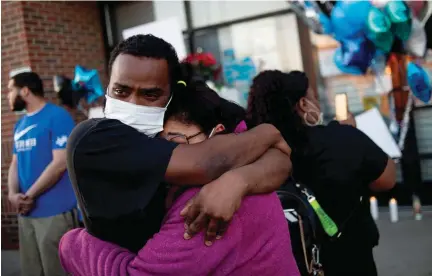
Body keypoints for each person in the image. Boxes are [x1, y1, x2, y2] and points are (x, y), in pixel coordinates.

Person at [66, 34, 292, 254]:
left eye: (150, 94)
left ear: (171, 96)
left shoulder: (170, 125)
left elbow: (279, 159)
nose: (132, 104)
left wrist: (239, 180)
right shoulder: (94, 138)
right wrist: (267, 132)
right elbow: (209, 162)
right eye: (120, 91)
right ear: (108, 87)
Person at [59, 80, 300, 276]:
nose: (166, 156)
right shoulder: (241, 163)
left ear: (218, 135)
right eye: (156, 146)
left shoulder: (208, 203)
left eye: (175, 142)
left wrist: (73, 244)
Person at [246, 70, 396, 276]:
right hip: (350, 256)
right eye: (314, 97)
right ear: (303, 105)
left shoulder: (253, 155)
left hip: (289, 264)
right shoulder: (341, 138)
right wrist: (351, 136)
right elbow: (386, 180)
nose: (317, 102)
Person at [7, 72, 78, 276]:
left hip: (54, 214)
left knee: (56, 271)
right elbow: (15, 163)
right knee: (31, 271)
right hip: (26, 213)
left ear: (25, 91)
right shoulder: (20, 124)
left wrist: (30, 195)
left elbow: (60, 163)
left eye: (11, 90)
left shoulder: (57, 116)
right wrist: (13, 194)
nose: (8, 96)